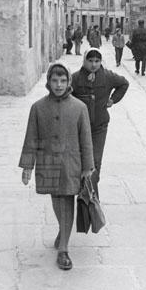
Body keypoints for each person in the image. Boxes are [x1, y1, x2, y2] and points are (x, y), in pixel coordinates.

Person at [20, 63, 94, 271]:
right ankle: (64, 229)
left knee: (67, 199)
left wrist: (87, 166)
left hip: (71, 162)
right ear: (49, 82)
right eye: (54, 80)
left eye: (63, 81)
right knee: (55, 198)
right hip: (48, 161)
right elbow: (31, 137)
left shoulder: (80, 107)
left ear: (69, 81)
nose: (59, 85)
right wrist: (27, 166)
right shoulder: (38, 107)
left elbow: (86, 139)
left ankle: (63, 249)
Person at [72, 48, 129, 198]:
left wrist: (113, 100)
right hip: (79, 128)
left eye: (97, 61)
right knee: (81, 161)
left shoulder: (108, 76)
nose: (93, 65)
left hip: (99, 127)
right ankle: (83, 191)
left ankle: (92, 197)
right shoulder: (75, 78)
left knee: (95, 161)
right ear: (84, 61)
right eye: (90, 61)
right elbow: (66, 95)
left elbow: (124, 84)